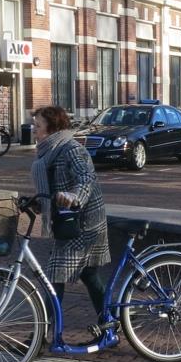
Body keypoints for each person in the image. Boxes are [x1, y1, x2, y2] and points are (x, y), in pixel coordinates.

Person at [30, 105, 111, 339]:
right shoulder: (48, 151)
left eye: (38, 126)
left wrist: (75, 197)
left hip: (85, 222)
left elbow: (86, 178)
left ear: (52, 128)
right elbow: (54, 187)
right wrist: (37, 202)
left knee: (56, 275)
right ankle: (108, 324)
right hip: (69, 220)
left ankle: (41, 335)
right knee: (89, 275)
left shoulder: (71, 149)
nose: (34, 130)